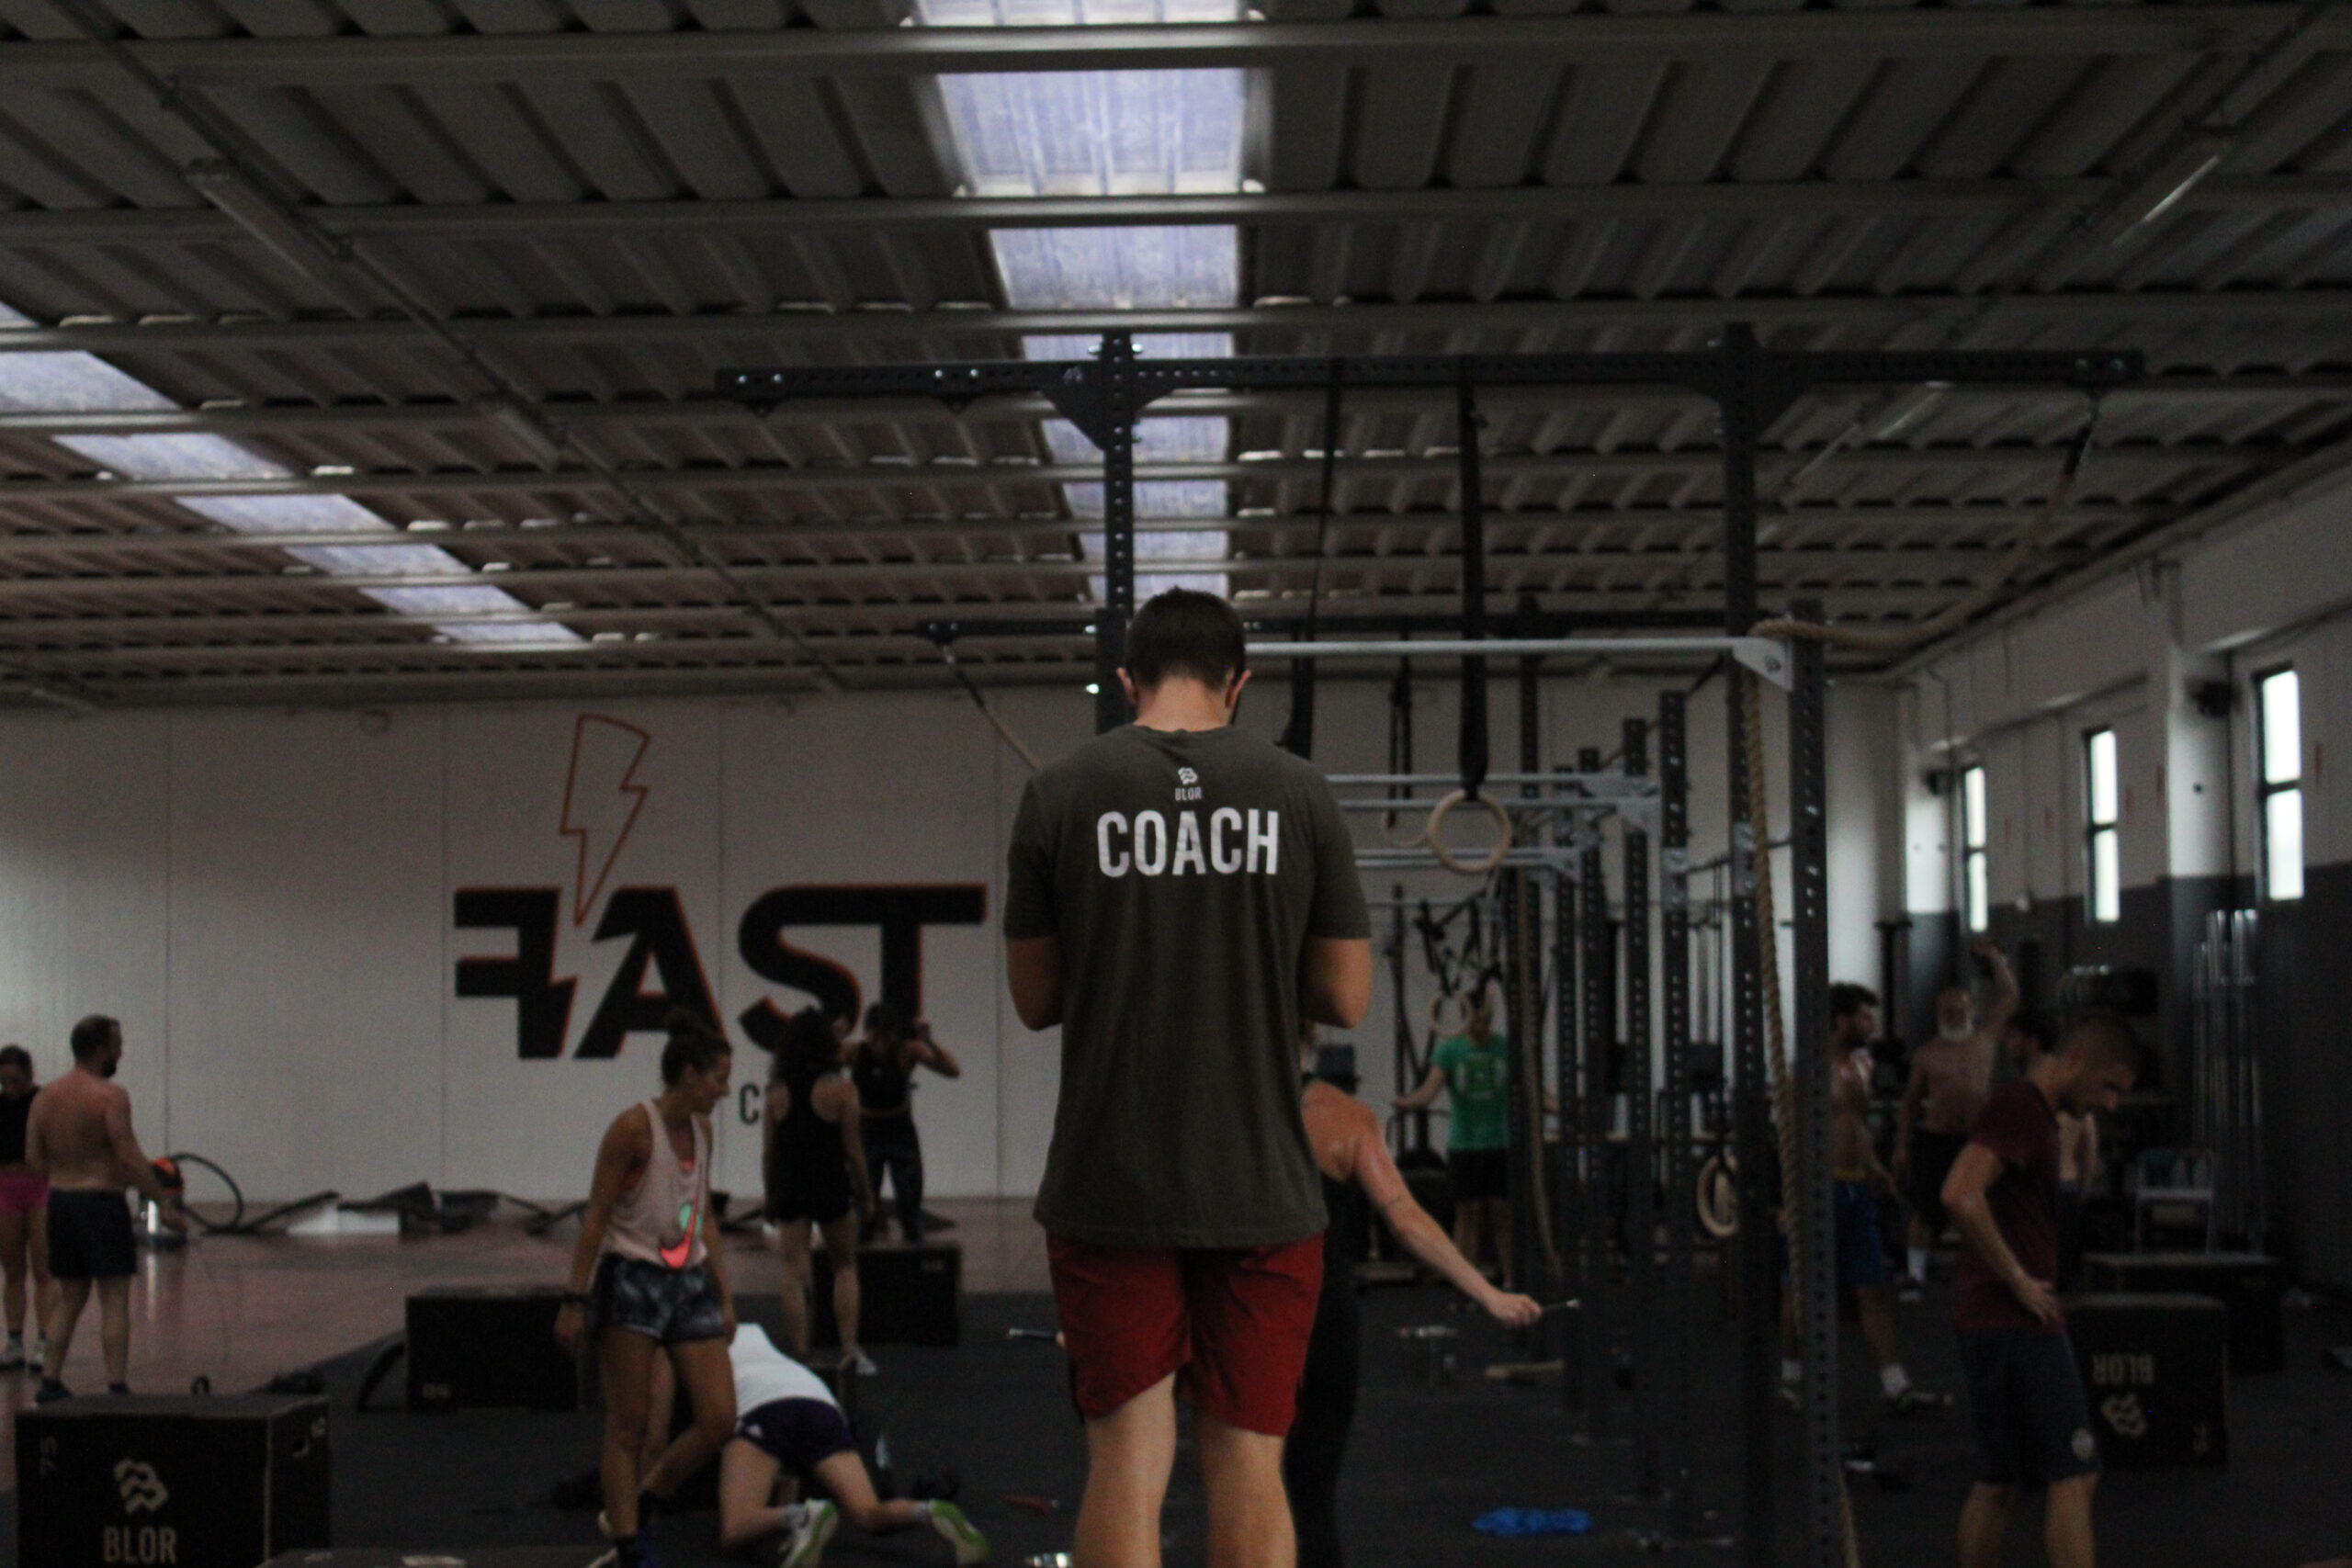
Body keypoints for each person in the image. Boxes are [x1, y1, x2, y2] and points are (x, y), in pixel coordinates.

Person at [1003, 588, 1374, 1568]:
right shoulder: (1299, 792)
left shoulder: (1058, 793)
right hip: (1260, 1183)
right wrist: (1258, 955)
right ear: (1238, 684)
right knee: (1250, 1462)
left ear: (1127, 682)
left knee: (1127, 1461)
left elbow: (1035, 999)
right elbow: (1346, 996)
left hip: (1109, 1181)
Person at [1291, 1031, 1540, 1568]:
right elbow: (1404, 1218)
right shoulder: (1342, 1116)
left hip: (1246, 1321)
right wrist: (1489, 1294)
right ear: (1309, 1035)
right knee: (1308, 1496)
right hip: (1316, 1322)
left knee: (1246, 1492)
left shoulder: (1218, 1118)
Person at [1941, 1011, 2143, 1568]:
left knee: (1999, 1480)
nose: (2111, 1104)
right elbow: (1959, 1194)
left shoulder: (2035, 1114)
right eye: (2109, 1087)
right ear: (2075, 1060)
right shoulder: (2020, 1109)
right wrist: (2018, 1279)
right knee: (2076, 1473)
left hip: (1997, 1321)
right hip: (2016, 1323)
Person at [554, 1011, 741, 1568]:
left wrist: (724, 1295)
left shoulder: (703, 1132)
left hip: (687, 1278)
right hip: (632, 1279)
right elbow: (596, 1216)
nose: (724, 1091)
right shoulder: (633, 1130)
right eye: (719, 1079)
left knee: (719, 1417)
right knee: (630, 1424)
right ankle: (630, 1546)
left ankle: (647, 1497)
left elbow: (700, 1216)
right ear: (689, 1074)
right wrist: (574, 1300)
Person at [643, 1323, 989, 1567]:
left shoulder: (676, 1341)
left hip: (759, 1406)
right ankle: (928, 1511)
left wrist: (643, 1499)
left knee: (734, 1530)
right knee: (868, 1513)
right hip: (818, 1400)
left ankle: (801, 1516)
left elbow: (657, 1431)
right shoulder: (749, 1329)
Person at [1780, 985, 1944, 1416]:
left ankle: (1896, 1385)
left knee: (1872, 1289)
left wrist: (1875, 1167)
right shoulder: (1808, 1073)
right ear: (1841, 1021)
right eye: (1864, 1017)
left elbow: (1857, 1127)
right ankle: (1790, 1377)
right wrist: (1791, 1199)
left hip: (1856, 1190)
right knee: (1801, 1287)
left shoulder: (1863, 1066)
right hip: (1819, 1188)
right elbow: (1790, 1136)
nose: (1872, 1025)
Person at [27, 1015, 183, 1403]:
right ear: (100, 1051)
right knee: (114, 1296)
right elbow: (128, 1153)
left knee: (69, 1297)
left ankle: (49, 1382)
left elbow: (33, 1159)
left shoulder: (44, 1097)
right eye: (117, 1046)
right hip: (100, 1204)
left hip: (61, 1202)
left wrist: (64, 1175)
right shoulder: (110, 1097)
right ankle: (116, 1386)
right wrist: (161, 1202)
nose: (121, 1053)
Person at [1894, 938, 2018, 1299]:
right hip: (1936, 1139)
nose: (1952, 1015)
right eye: (1946, 1011)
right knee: (1925, 1210)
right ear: (1937, 1014)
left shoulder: (1984, 1039)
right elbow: (1909, 1104)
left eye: (1959, 1009)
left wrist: (1994, 956)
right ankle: (1915, 1276)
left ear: (1971, 1010)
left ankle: (1983, 1276)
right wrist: (1901, 1146)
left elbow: (2010, 997)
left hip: (1976, 1139)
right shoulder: (1927, 1055)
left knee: (1980, 1207)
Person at [765, 1007, 875, 1374]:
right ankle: (849, 1351)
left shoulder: (776, 1093)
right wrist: (867, 1195)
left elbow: (768, 1152)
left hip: (790, 1184)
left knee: (793, 1269)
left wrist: (770, 1194)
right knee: (844, 1266)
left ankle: (800, 1355)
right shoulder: (842, 1090)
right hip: (829, 1182)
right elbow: (854, 1152)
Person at [1392, 984, 1511, 1280]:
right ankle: (1466, 1282)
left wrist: (1563, 1107)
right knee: (1467, 1214)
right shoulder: (1450, 1050)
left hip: (1499, 1143)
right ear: (1466, 1017)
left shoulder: (1504, 1048)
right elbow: (1428, 1092)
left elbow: (1534, 1093)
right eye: (1476, 1018)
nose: (1480, 1024)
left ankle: (1511, 1279)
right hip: (1464, 1145)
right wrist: (1407, 1102)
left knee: (1502, 1213)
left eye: (1485, 1018)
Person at [848, 1003, 962, 1244]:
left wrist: (930, 1041)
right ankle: (860, 1257)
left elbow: (952, 1070)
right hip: (868, 1132)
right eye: (875, 1037)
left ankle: (914, 1251)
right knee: (864, 1209)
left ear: (895, 1034)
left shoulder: (907, 1051)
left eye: (886, 1036)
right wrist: (832, 1038)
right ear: (866, 1032)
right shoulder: (855, 1052)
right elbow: (819, 1062)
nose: (880, 1044)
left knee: (910, 1205)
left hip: (899, 1131)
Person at [0, 1044, 54, 1371]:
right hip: (6, 1187)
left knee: (43, 1268)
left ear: (29, 1075)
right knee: (13, 1270)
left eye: (16, 1081)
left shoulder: (43, 1102)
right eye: (4, 1082)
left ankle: (45, 1340)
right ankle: (14, 1340)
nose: (10, 1089)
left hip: (40, 1186)